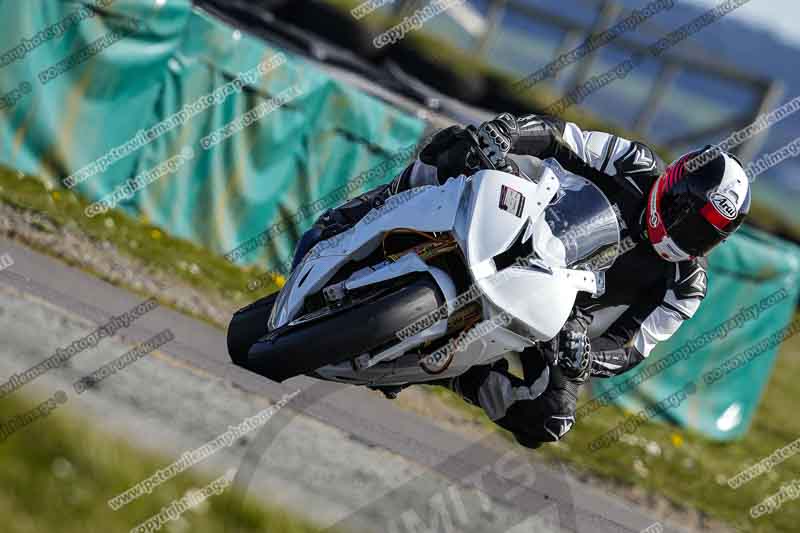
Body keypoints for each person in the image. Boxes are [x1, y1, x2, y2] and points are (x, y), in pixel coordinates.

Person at [292, 113, 752, 449]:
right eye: (685, 215)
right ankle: (359, 215)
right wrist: (509, 133)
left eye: (702, 233)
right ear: (673, 186)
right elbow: (559, 137)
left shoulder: (686, 286)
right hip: (528, 219)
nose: (684, 232)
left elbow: (633, 347)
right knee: (455, 147)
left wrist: (587, 356)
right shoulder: (634, 160)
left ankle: (459, 377)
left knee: (552, 419)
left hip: (560, 317)